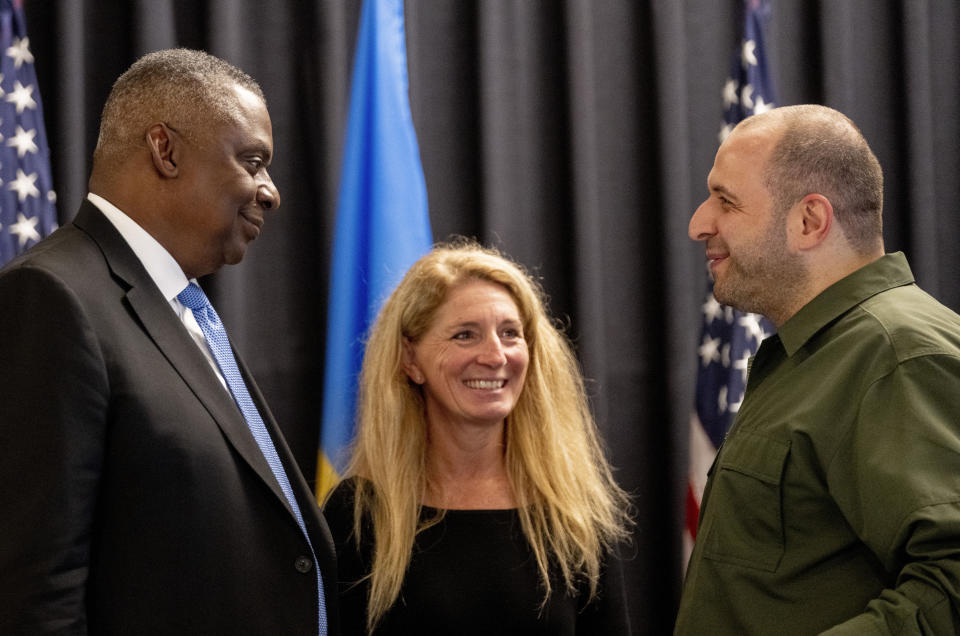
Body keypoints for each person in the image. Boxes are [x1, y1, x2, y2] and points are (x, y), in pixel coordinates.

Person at [0, 49, 338, 635]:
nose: (271, 192)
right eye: (252, 161)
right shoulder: (51, 297)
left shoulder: (186, 308)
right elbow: (34, 587)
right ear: (166, 150)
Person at [675, 104, 960, 634]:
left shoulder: (896, 354)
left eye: (725, 202)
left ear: (809, 221)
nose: (698, 224)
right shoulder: (818, 352)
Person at [322, 241, 633, 635]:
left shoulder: (572, 515)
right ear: (410, 360)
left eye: (510, 333)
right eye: (465, 335)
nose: (495, 355)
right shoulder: (358, 513)